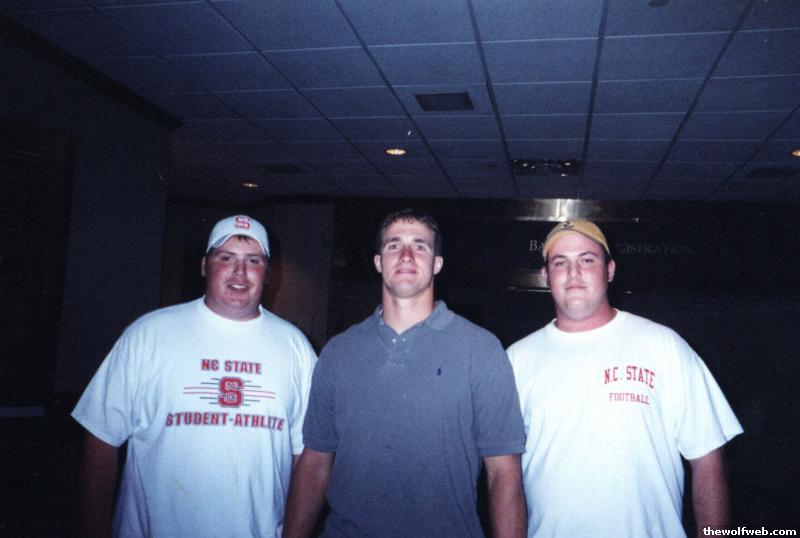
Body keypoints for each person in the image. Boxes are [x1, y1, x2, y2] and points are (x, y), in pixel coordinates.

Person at [282, 209, 526, 538]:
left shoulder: (481, 350)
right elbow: (314, 464)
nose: (407, 255)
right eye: (394, 245)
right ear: (378, 262)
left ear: (437, 263)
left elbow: (503, 472)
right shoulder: (339, 352)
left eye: (420, 246)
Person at [72, 214, 317, 537]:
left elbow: (308, 458)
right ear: (204, 265)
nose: (239, 272)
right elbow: (101, 438)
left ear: (268, 273)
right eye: (226, 257)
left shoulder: (296, 348)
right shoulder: (149, 334)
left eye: (253, 260)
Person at [507, 219, 744, 537]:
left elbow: (708, 460)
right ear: (546, 275)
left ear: (610, 270)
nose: (573, 273)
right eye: (560, 262)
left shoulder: (663, 345)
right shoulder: (516, 360)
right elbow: (503, 474)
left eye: (587, 260)